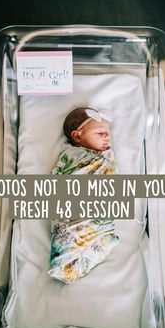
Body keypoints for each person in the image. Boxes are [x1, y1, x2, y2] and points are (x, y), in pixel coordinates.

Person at [48, 107, 119, 283]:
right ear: (77, 136)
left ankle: (97, 243)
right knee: (63, 262)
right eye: (100, 132)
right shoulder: (72, 156)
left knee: (98, 236)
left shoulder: (103, 156)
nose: (107, 137)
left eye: (107, 133)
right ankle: (67, 267)